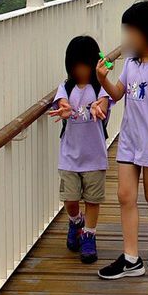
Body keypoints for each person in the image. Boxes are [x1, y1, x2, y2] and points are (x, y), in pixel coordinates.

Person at [95, 0, 148, 279]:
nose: (128, 38)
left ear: (147, 31)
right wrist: (103, 80)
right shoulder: (131, 65)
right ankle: (131, 258)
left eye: (132, 31)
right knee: (124, 196)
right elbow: (118, 93)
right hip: (129, 140)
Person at [47, 35, 111, 264]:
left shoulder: (101, 88)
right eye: (76, 66)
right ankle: (76, 221)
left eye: (85, 65)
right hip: (70, 156)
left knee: (93, 199)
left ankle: (89, 235)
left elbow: (105, 101)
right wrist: (63, 109)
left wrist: (99, 107)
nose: (81, 71)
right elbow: (62, 103)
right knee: (70, 198)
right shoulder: (65, 87)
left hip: (94, 156)